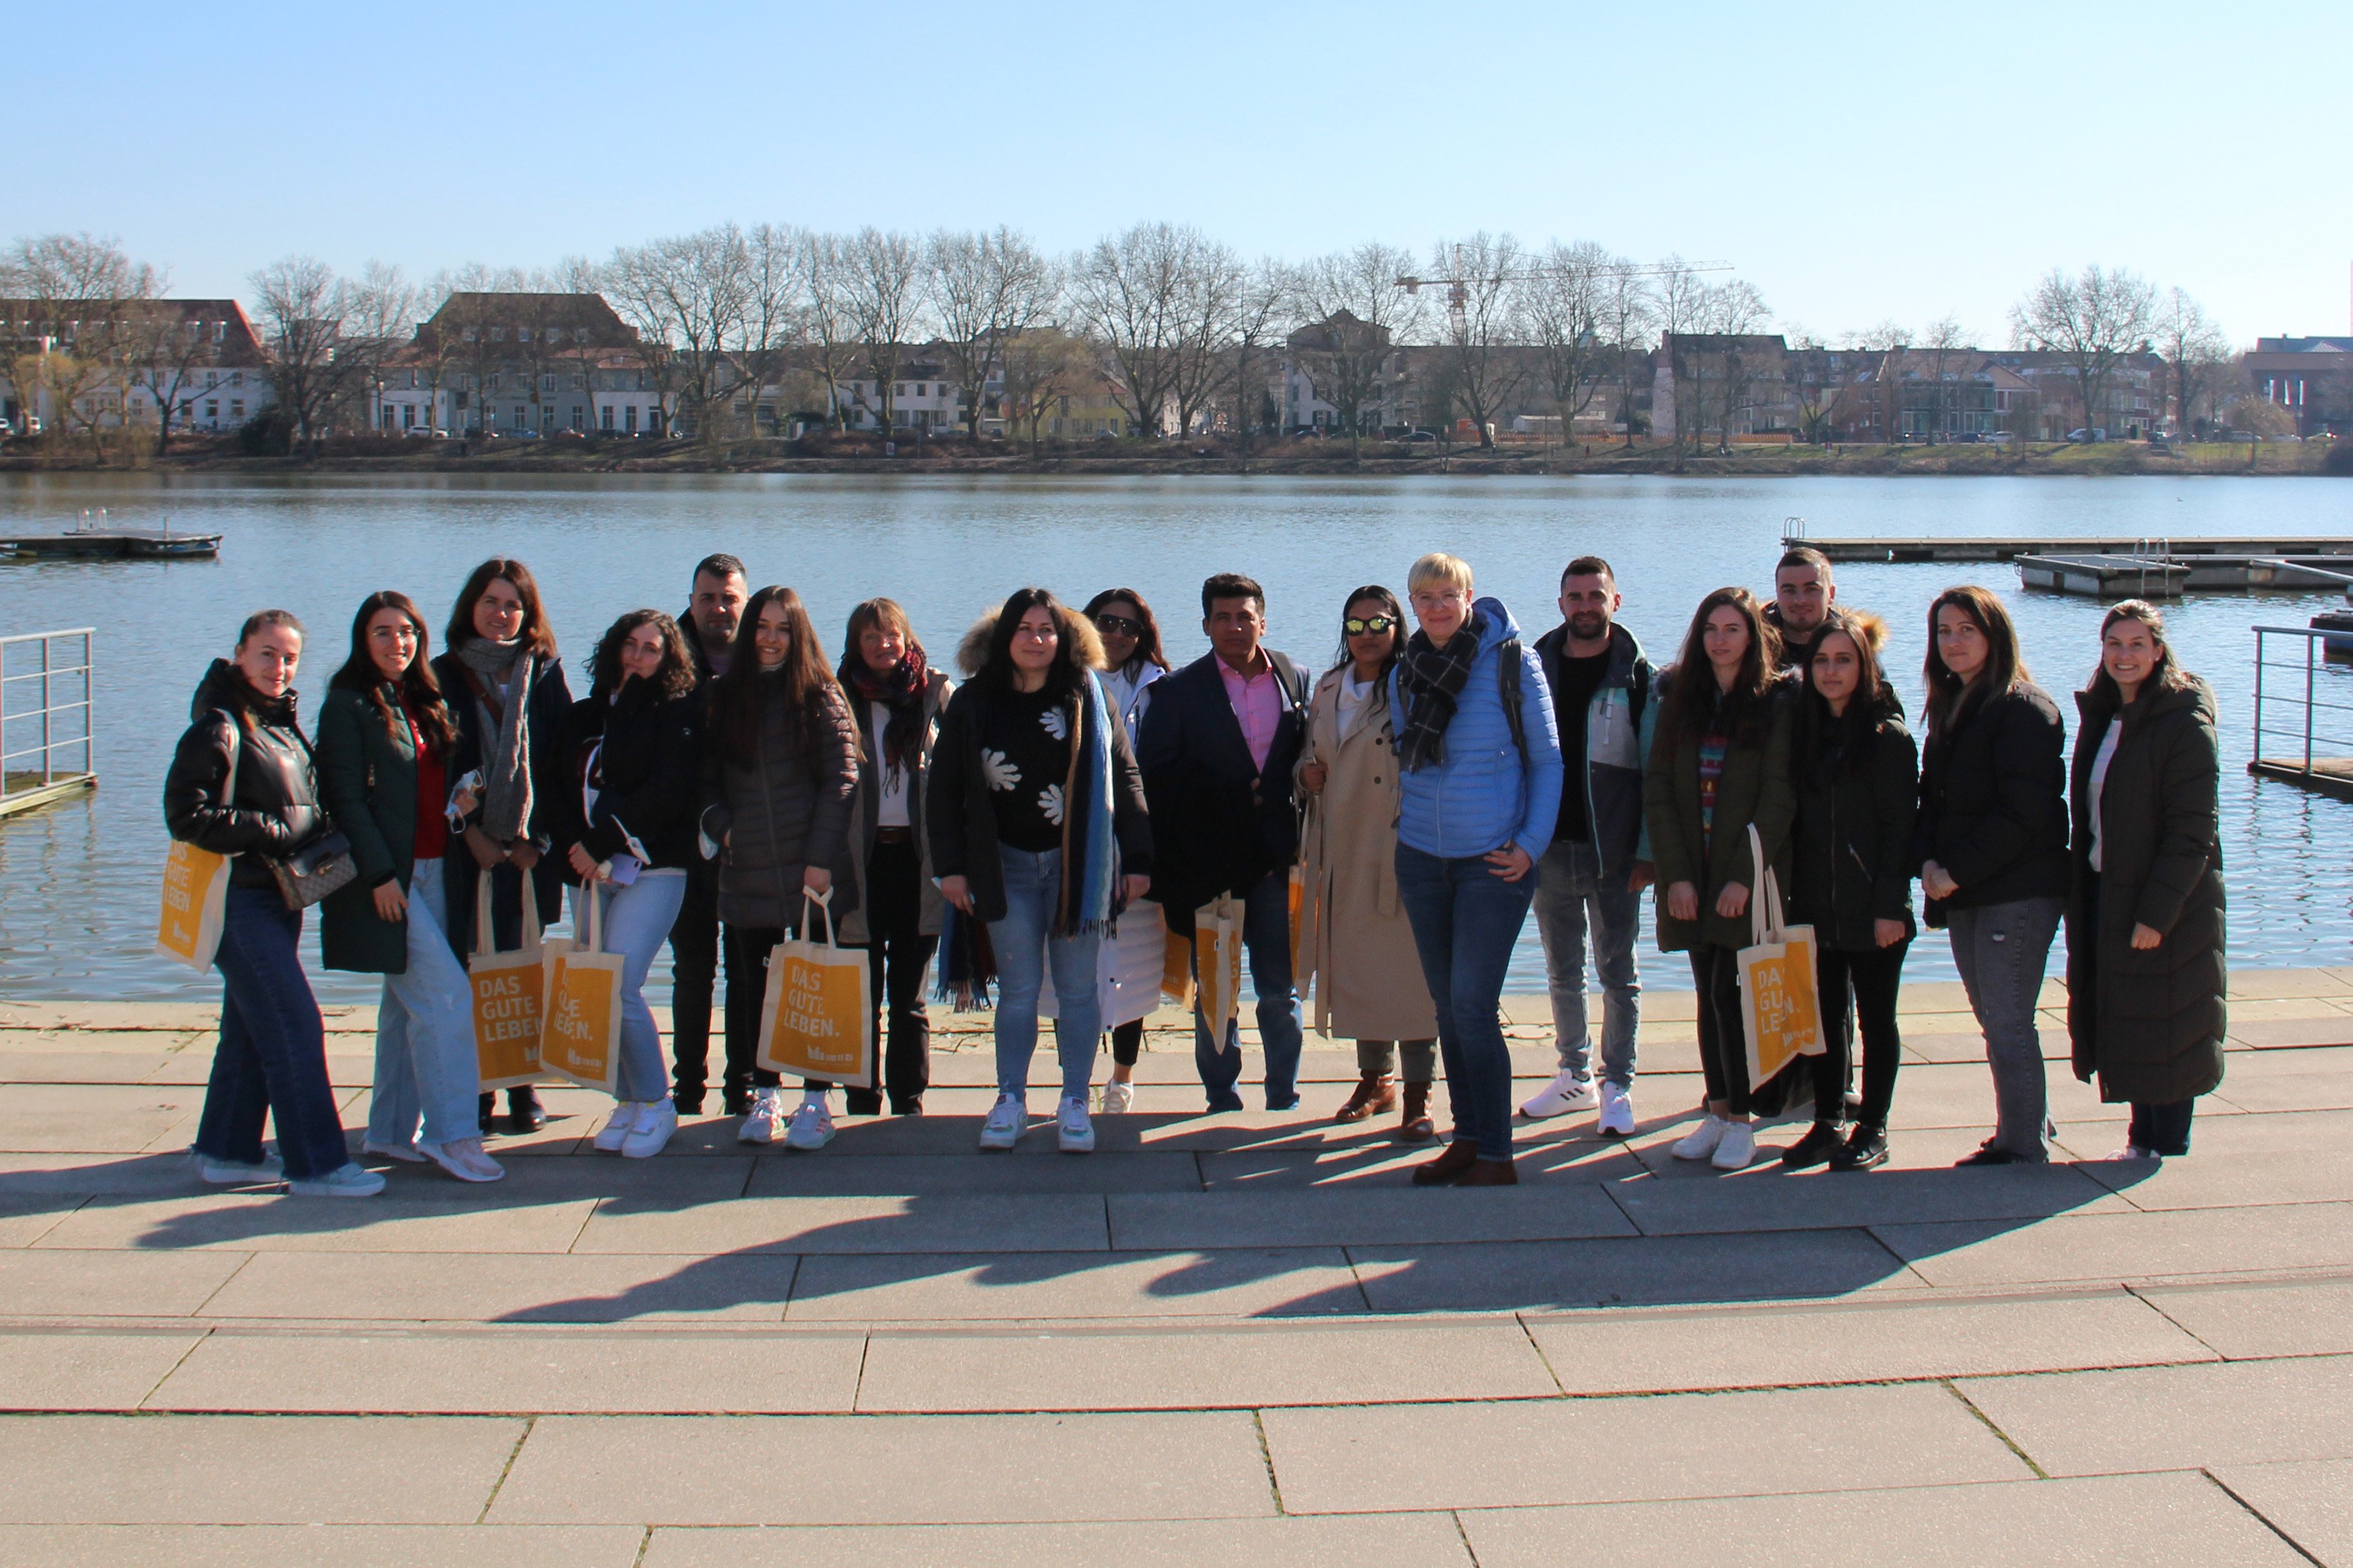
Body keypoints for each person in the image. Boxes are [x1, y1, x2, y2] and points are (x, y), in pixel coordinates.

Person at [165, 611, 383, 1197]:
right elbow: (185, 814)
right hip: (237, 902)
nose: (278, 667)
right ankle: (316, 1165)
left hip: (277, 898)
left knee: (248, 1028)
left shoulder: (277, 721)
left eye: (289, 658)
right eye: (267, 654)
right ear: (239, 653)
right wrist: (271, 830)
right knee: (294, 1024)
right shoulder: (219, 724)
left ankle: (226, 1152)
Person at [929, 589, 1153, 1153]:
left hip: (1077, 867)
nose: (1035, 639)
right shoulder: (976, 700)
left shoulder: (1087, 694)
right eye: (1024, 629)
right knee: (1021, 991)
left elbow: (1124, 777)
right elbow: (945, 788)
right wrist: (951, 869)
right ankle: (1010, 1099)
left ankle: (1074, 1101)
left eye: (1046, 629)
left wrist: (1140, 858)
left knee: (1079, 991)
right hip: (1002, 866)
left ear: (1064, 637)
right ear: (1005, 636)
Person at [1388, 554, 1563, 1187]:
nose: (1436, 607)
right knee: (1445, 1005)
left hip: (1493, 861)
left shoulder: (1515, 662)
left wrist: (1530, 845)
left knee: (1472, 1002)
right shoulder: (1406, 668)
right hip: (1421, 858)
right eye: (1424, 597)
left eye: (1447, 594)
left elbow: (1548, 762)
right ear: (1412, 604)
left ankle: (1496, 1150)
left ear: (1470, 596)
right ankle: (1466, 1138)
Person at [317, 591, 503, 1184]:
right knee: (446, 997)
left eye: (406, 632)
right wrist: (378, 877)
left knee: (404, 1005)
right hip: (390, 877)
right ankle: (453, 1136)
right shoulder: (347, 705)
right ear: (361, 639)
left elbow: (427, 786)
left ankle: (390, 1131)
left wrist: (462, 801)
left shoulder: (423, 698)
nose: (397, 643)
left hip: (433, 865)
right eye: (382, 632)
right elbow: (344, 798)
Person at [1136, 573, 1310, 1113]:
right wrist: (1228, 794)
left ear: (1264, 619)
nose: (1235, 627)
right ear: (1206, 624)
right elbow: (1155, 781)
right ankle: (1221, 1092)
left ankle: (1282, 1089)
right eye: (1223, 618)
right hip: (1208, 865)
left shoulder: (1295, 679)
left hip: (1277, 862)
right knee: (1215, 991)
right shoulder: (1177, 692)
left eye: (1245, 616)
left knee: (1280, 990)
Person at [1913, 585, 2071, 1166]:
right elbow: (1934, 799)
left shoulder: (2024, 708)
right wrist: (1926, 861)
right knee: (1992, 1016)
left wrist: (1955, 870)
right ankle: (2026, 1121)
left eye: (1966, 630)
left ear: (1994, 636)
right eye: (1944, 631)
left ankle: (2021, 1146)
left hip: (2019, 890)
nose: (1953, 642)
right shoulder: (1953, 706)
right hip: (1965, 888)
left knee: (2007, 1017)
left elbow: (2024, 814)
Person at [2065, 601, 2226, 1161]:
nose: (2124, 655)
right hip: (2110, 890)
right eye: (2114, 644)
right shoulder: (2107, 717)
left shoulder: (2184, 724)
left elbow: (2193, 834)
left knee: (2172, 1024)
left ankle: (2168, 1146)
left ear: (2158, 651)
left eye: (2137, 644)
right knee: (2131, 1017)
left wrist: (2157, 914)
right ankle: (2141, 1141)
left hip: (2170, 905)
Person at [1644, 586, 1797, 1173]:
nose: (1721, 639)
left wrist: (1743, 878)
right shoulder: (1681, 697)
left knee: (1736, 997)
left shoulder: (1776, 703)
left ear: (1753, 637)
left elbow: (1779, 797)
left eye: (1733, 629)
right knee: (1708, 995)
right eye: (1711, 628)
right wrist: (1676, 876)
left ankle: (1742, 1123)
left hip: (1746, 878)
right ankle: (1717, 1107)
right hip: (1692, 875)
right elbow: (1657, 788)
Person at [702, 585, 862, 1149]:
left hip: (808, 872)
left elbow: (842, 779)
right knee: (750, 988)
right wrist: (723, 825)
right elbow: (707, 777)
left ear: (799, 635)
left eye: (782, 629)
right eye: (762, 627)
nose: (770, 639)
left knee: (814, 990)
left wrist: (820, 860)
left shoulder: (820, 693)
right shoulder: (725, 696)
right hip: (746, 866)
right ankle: (763, 1095)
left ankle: (816, 1101)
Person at [555, 610, 703, 1159]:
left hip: (655, 866)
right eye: (631, 645)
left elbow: (669, 790)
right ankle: (627, 1099)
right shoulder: (585, 714)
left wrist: (604, 840)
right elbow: (557, 786)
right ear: (615, 648)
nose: (639, 656)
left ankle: (657, 1101)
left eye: (652, 648)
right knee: (596, 984)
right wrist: (579, 847)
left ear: (669, 659)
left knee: (621, 980)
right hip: (586, 871)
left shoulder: (678, 712)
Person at [435, 557, 573, 1138]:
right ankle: (477, 1089)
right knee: (470, 966)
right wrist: (469, 836)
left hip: (528, 852)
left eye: (513, 604)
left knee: (521, 964)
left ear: (529, 612)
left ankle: (522, 1083)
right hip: (465, 849)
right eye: (491, 601)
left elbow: (562, 760)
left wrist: (538, 842)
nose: (501, 613)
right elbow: (434, 762)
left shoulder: (543, 673)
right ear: (471, 606)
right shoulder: (441, 673)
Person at [1297, 586, 1441, 1141]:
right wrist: (1303, 777)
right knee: (1357, 971)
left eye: (1378, 623)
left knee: (1410, 978)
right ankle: (1374, 1080)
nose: (1366, 635)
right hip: (1343, 850)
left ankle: (1418, 1092)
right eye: (1355, 626)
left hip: (1401, 847)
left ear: (1397, 625)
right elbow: (1311, 758)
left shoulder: (1414, 682)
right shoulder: (1329, 687)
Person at [1522, 555, 1657, 1136]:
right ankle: (1572, 1074)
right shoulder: (1532, 669)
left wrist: (1649, 850)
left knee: (1617, 971)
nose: (1585, 606)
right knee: (1561, 969)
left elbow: (1655, 767)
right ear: (1561, 605)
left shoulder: (1638, 674)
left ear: (1615, 602)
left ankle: (1617, 1084)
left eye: (1595, 596)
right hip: (1549, 846)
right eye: (1574, 597)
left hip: (1616, 850)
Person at [1784, 608, 1917, 1172]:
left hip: (1873, 906)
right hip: (1816, 903)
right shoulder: (1805, 733)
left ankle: (1874, 1124)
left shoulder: (1888, 737)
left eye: (1844, 661)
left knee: (1876, 1019)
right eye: (1821, 661)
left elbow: (1900, 831)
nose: (1832, 672)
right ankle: (1828, 1119)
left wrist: (1891, 906)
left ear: (1865, 668)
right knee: (1825, 1016)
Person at [836, 597, 953, 1116]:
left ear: (908, 639)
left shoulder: (936, 693)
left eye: (892, 635)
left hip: (919, 863)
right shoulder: (836, 696)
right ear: (854, 645)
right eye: (871, 637)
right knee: (858, 995)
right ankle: (861, 1099)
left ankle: (909, 1101)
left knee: (908, 997)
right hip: (856, 863)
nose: (884, 645)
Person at [1083, 587, 1172, 1112]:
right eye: (1107, 622)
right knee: (1071, 964)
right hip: (1079, 842)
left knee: (1133, 965)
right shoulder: (1067, 679)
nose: (1117, 634)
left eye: (1129, 627)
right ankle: (1074, 1075)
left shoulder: (1162, 687)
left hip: (1139, 841)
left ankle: (1122, 1077)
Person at [669, 553, 748, 1114]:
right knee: (693, 968)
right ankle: (688, 1087)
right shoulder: (663, 657)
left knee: (746, 968)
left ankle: (741, 1084)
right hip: (679, 843)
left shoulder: (769, 655)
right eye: (708, 598)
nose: (719, 608)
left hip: (750, 842)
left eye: (729, 598)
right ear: (692, 599)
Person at [1767, 546, 1835, 672]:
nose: (1800, 600)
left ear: (1831, 594)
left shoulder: (1855, 648)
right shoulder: (1751, 648)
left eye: (1811, 589)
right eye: (1789, 590)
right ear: (1777, 593)